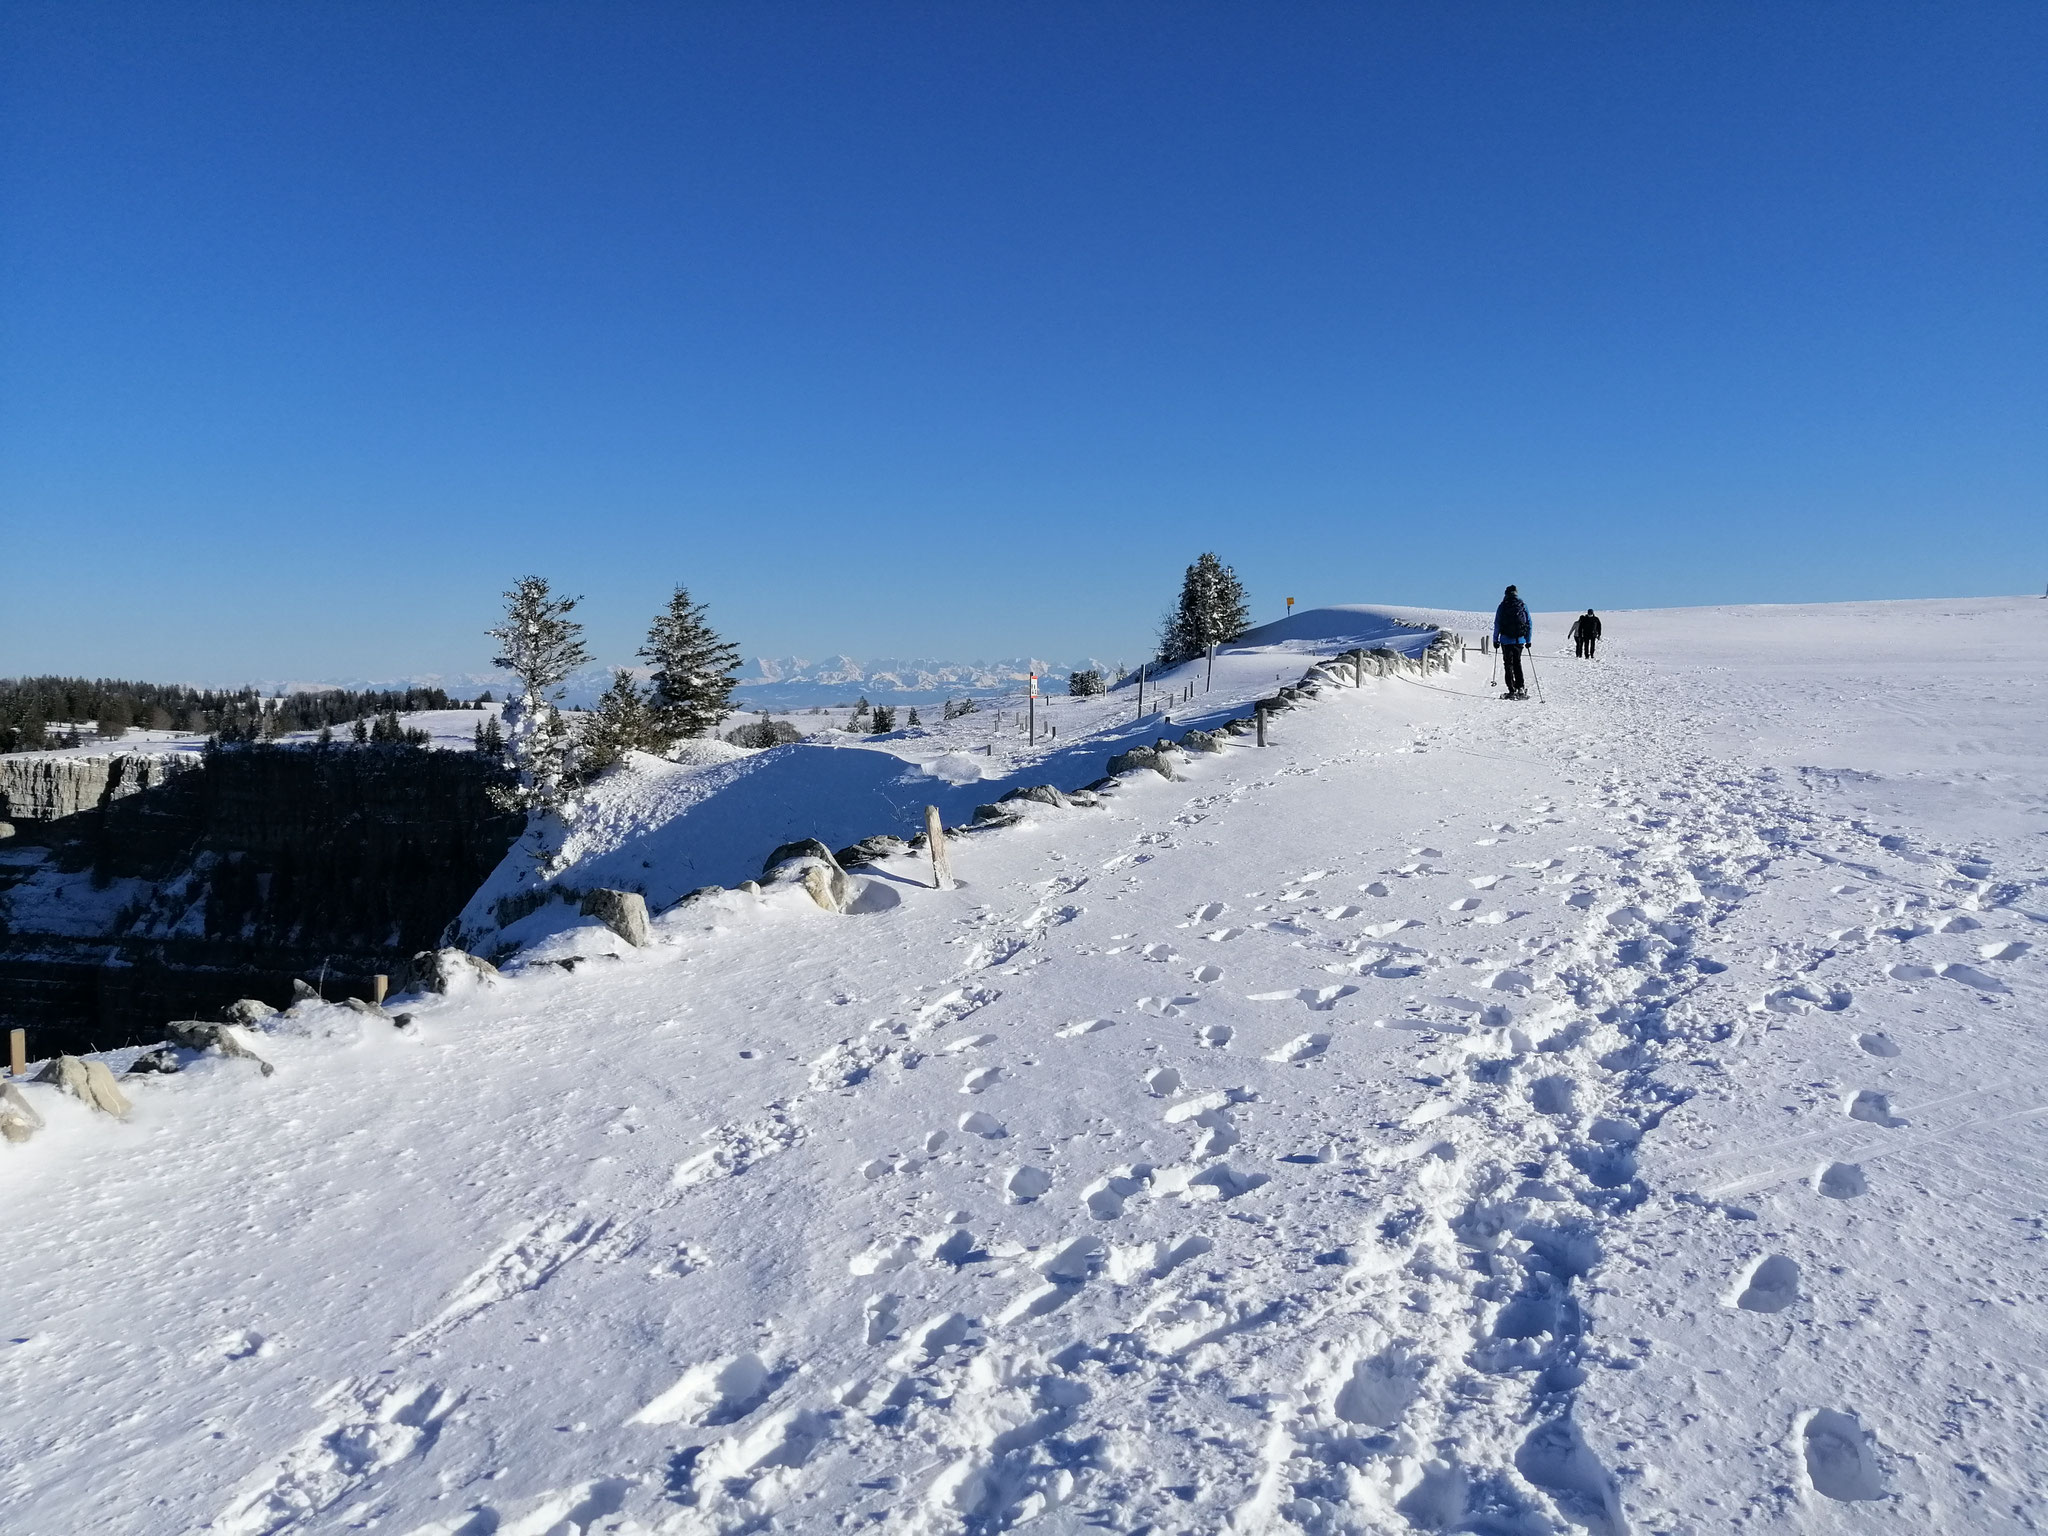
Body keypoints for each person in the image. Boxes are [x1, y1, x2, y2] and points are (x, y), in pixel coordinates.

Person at [1494, 585, 1531, 699]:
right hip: (1519, 640)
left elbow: (1497, 624)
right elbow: (1529, 623)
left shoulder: (1502, 606)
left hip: (1506, 640)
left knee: (1508, 665)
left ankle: (1511, 689)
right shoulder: (1522, 605)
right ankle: (1520, 688)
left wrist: (1496, 640)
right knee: (1517, 663)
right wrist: (1528, 640)